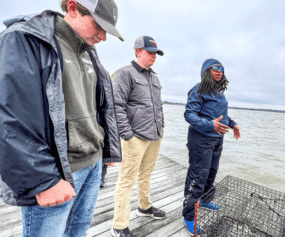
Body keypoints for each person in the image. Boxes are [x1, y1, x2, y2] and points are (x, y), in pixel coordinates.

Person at [0, 0, 123, 236]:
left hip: (93, 164)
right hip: (56, 172)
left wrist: (107, 151)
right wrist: (42, 180)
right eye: (99, 26)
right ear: (73, 8)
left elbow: (99, 107)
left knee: (78, 231)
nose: (103, 37)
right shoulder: (25, 38)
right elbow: (11, 115)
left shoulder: (90, 52)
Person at [111, 36, 166, 237]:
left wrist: (161, 129)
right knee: (126, 180)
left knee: (146, 175)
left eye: (155, 53)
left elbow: (158, 106)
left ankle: (144, 207)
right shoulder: (124, 73)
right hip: (135, 138)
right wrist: (127, 135)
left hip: (155, 136)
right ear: (138, 51)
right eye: (150, 52)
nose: (153, 56)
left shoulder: (155, 78)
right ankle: (119, 225)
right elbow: (116, 106)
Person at [182, 58, 241, 235]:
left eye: (221, 69)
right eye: (214, 68)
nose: (219, 71)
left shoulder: (219, 93)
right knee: (198, 175)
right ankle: (188, 215)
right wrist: (210, 125)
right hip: (200, 138)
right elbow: (189, 115)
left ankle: (206, 199)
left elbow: (221, 116)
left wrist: (233, 124)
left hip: (217, 139)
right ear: (205, 72)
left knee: (211, 172)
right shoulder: (198, 89)